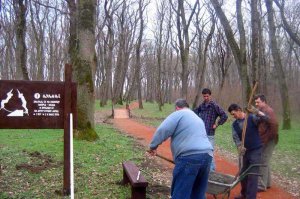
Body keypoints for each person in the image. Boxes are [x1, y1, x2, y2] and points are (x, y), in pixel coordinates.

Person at [149, 99, 213, 199]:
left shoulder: (179, 113)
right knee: (198, 194)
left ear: (177, 108)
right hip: (207, 156)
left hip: (189, 158)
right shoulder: (197, 117)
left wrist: (153, 146)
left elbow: (163, 129)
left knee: (180, 194)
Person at [228, 103, 266, 199]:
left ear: (239, 110)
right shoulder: (234, 125)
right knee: (243, 174)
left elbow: (266, 119)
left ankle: (250, 197)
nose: (233, 116)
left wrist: (257, 111)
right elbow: (236, 138)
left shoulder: (251, 118)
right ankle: (244, 194)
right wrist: (240, 147)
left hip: (255, 150)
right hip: (245, 152)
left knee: (253, 175)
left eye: (234, 113)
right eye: (232, 115)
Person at [194, 88, 228, 171]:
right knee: (201, 151)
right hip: (201, 133)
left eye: (207, 96)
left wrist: (217, 124)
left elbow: (224, 116)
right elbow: (195, 112)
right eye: (204, 96)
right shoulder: (202, 106)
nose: (206, 98)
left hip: (210, 134)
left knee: (209, 153)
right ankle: (203, 169)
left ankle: (212, 171)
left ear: (210, 96)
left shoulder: (214, 105)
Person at [254, 94, 279, 191]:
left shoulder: (269, 111)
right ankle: (267, 183)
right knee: (265, 161)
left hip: (269, 140)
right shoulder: (261, 111)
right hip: (265, 139)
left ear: (264, 101)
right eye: (255, 102)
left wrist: (268, 138)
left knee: (263, 161)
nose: (256, 104)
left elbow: (274, 125)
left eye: (258, 102)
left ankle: (261, 185)